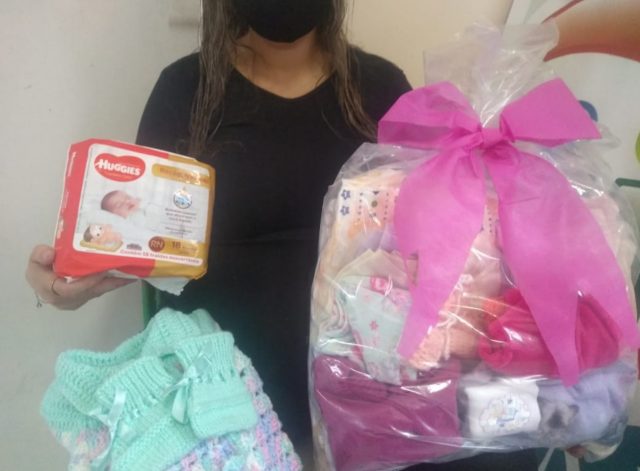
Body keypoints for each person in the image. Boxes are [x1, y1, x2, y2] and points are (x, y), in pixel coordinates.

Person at [26, 0, 539, 468]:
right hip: (225, 410)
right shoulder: (185, 91)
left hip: (367, 396)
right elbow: (139, 238)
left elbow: (451, 243)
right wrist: (70, 282)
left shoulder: (381, 89)